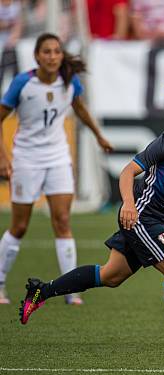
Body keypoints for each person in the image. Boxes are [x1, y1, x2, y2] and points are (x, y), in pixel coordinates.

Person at [18, 79, 164, 350]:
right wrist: (129, 204)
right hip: (141, 216)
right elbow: (127, 172)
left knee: (111, 276)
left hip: (157, 218)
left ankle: (41, 291)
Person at [0, 33, 113, 305]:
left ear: (62, 56)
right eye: (47, 52)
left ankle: (69, 289)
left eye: (56, 52)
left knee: (63, 221)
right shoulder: (23, 83)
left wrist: (98, 134)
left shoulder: (69, 80)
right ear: (37, 56)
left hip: (58, 157)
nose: (52, 57)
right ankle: (1, 283)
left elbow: (79, 108)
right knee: (20, 225)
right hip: (27, 159)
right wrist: (4, 158)